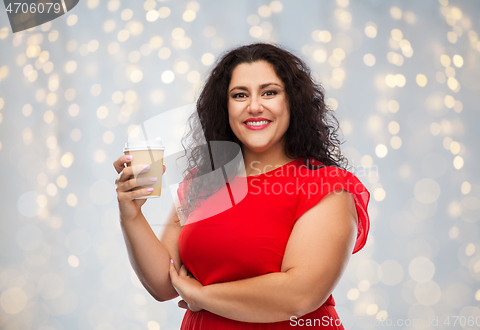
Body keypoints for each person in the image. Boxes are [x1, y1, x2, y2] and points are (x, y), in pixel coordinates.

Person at [113, 43, 370, 329]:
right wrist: (132, 215)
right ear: (225, 106)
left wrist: (202, 295)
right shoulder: (204, 182)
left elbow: (299, 295)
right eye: (240, 95)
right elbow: (164, 284)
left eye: (269, 92)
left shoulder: (326, 186)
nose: (255, 106)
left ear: (292, 101)